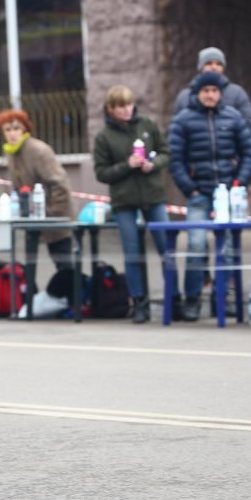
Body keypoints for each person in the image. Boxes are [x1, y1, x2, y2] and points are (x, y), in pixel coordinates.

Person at [168, 70, 251, 321]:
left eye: (214, 91)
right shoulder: (183, 120)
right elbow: (175, 158)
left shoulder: (233, 117)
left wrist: (239, 182)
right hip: (199, 193)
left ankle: (222, 298)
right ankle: (193, 300)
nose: (210, 95)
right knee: (196, 245)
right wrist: (190, 188)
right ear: (197, 93)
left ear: (220, 93)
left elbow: (250, 152)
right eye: (206, 91)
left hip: (228, 194)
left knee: (227, 248)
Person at [93, 85, 175, 324]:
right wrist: (127, 165)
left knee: (166, 248)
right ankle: (139, 302)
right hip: (124, 201)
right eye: (121, 106)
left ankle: (174, 298)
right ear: (110, 109)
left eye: (129, 104)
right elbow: (102, 173)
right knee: (132, 253)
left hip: (153, 196)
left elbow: (165, 152)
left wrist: (154, 164)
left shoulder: (147, 125)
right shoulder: (103, 136)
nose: (127, 110)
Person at [0, 109, 74, 279]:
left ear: (25, 129)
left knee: (64, 263)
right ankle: (30, 293)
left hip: (54, 214)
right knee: (29, 263)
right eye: (8, 130)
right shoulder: (11, 152)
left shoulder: (38, 150)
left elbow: (60, 183)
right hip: (31, 215)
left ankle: (72, 293)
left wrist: (52, 213)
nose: (12, 134)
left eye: (16, 128)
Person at [172, 46, 251, 140]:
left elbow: (249, 128)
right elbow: (176, 132)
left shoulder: (237, 93)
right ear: (200, 67)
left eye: (218, 64)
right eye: (209, 63)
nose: (214, 67)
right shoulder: (185, 96)